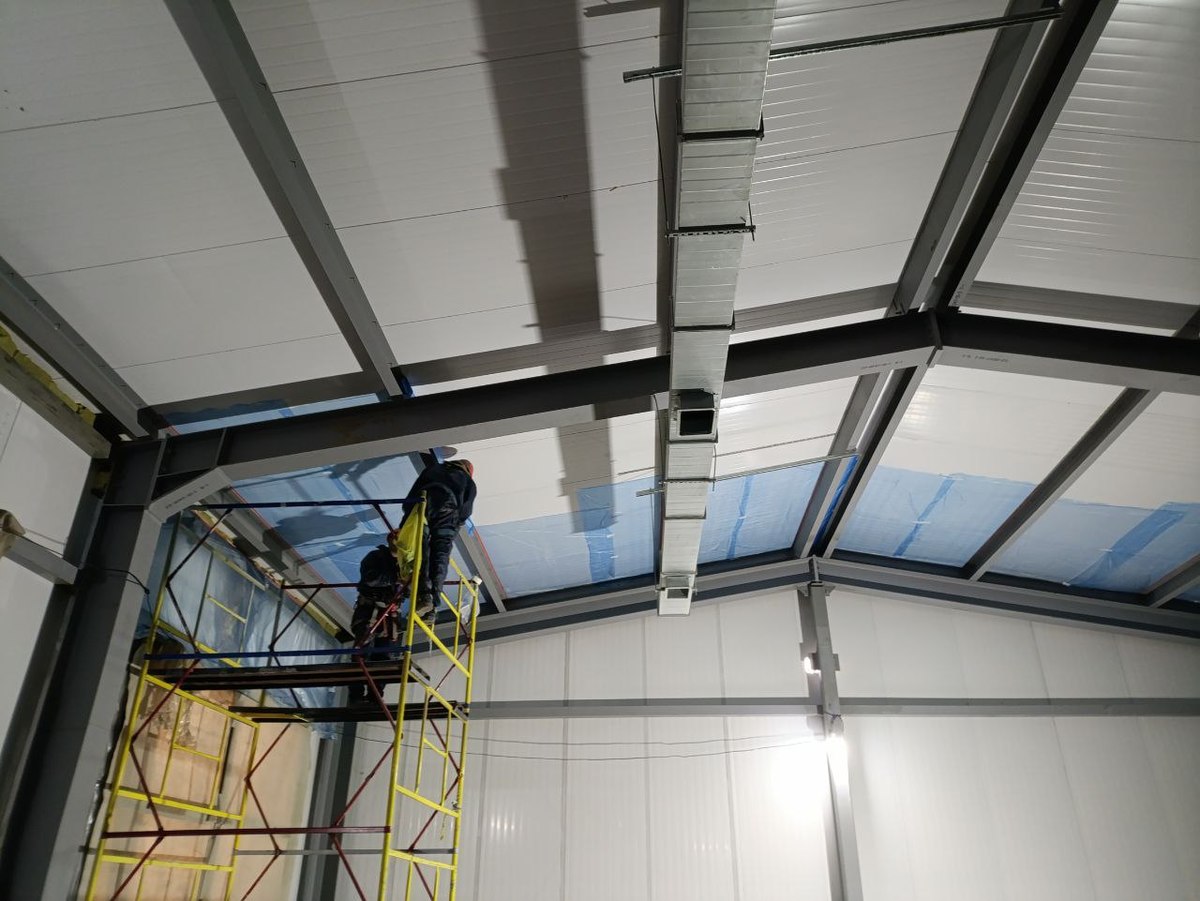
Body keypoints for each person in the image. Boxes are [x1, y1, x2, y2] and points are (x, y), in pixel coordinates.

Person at [404, 458, 476, 616]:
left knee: (421, 551)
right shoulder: (467, 481)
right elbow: (465, 511)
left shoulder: (434, 469)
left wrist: (409, 514)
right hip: (447, 514)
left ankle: (424, 595)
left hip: (423, 508)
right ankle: (432, 605)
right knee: (440, 555)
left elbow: (413, 493)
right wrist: (456, 525)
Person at [348, 533, 401, 704]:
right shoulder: (375, 557)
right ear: (390, 540)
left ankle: (375, 696)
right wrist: (396, 578)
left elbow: (407, 589)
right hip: (369, 609)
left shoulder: (404, 562)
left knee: (383, 657)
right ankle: (356, 695)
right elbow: (370, 579)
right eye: (396, 538)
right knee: (361, 651)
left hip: (389, 615)